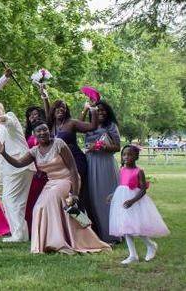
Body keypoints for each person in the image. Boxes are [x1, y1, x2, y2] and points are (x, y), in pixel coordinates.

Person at [0, 124, 111, 254]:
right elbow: (18, 163)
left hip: (67, 179)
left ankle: (58, 242)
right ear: (34, 134)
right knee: (38, 208)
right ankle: (47, 243)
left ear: (49, 131)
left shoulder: (59, 144)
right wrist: (4, 153)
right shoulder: (34, 151)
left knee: (49, 201)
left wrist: (75, 194)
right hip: (52, 182)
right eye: (39, 130)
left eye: (45, 129)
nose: (42, 132)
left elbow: (73, 168)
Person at [40, 84, 97, 218]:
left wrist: (92, 108)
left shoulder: (72, 123)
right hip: (61, 165)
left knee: (75, 194)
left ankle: (83, 227)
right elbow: (47, 111)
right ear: (54, 111)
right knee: (64, 194)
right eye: (58, 108)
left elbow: (92, 126)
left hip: (76, 162)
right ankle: (67, 227)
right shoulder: (51, 125)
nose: (61, 110)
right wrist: (45, 96)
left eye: (64, 108)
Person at [109, 145, 169, 264]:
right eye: (124, 154)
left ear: (136, 156)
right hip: (122, 200)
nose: (126, 157)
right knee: (126, 227)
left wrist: (132, 201)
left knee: (137, 227)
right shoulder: (122, 169)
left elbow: (143, 190)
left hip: (135, 201)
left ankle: (151, 245)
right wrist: (112, 195)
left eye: (130, 154)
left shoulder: (139, 171)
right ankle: (133, 255)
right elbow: (122, 185)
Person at [0, 102, 35, 242]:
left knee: (9, 200)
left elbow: (9, 122)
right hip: (11, 171)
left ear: (3, 110)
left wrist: (4, 118)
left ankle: (18, 234)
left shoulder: (10, 118)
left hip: (18, 167)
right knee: (16, 202)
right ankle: (21, 234)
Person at [83, 100, 121, 244]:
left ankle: (112, 234)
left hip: (105, 163)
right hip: (90, 162)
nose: (101, 112)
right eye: (97, 110)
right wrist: (86, 109)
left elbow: (117, 147)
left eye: (103, 110)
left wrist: (100, 146)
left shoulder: (110, 126)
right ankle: (97, 233)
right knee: (92, 198)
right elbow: (75, 127)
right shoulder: (89, 126)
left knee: (105, 198)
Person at [24, 106, 48, 231]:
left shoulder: (52, 139)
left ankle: (45, 228)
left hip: (51, 175)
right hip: (34, 174)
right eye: (30, 115)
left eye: (36, 114)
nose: (33, 116)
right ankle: (33, 229)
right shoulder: (28, 136)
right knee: (32, 201)